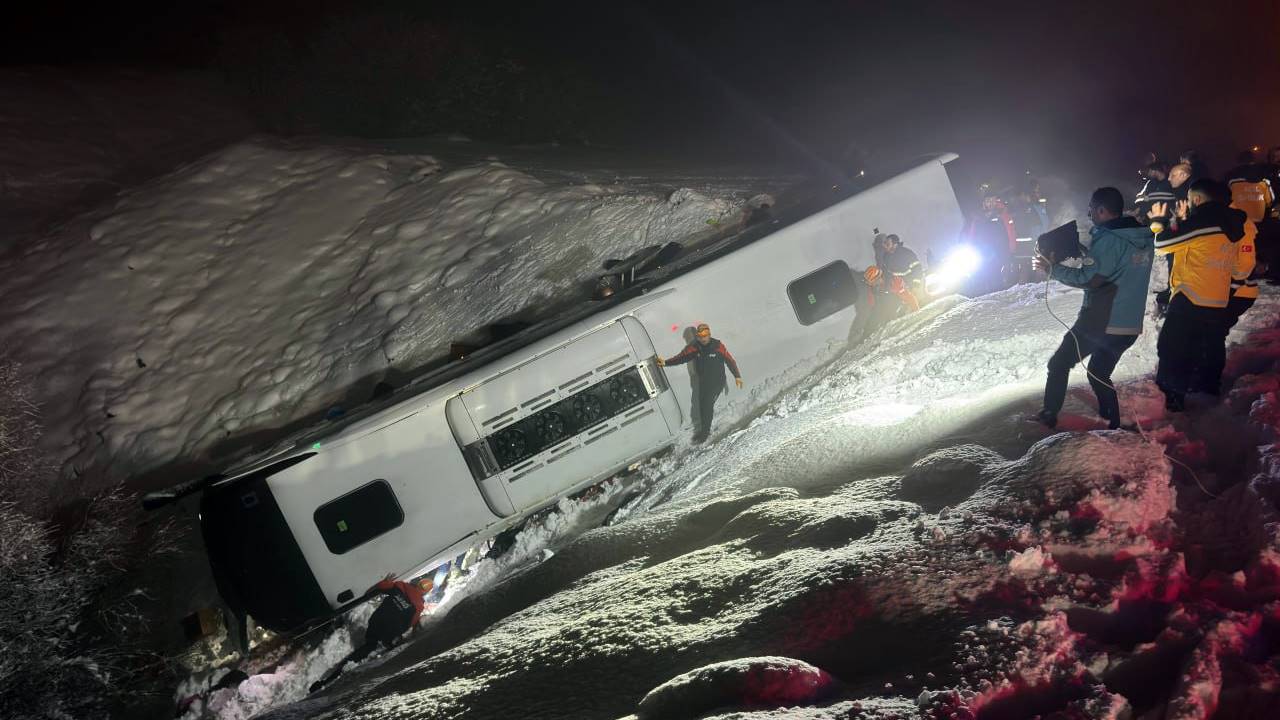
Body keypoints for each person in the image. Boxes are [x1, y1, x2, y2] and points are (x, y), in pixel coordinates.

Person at [1031, 187, 1154, 429]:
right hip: (1127, 324)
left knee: (1059, 363)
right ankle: (1113, 425)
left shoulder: (1109, 239)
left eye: (1091, 209)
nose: (1089, 214)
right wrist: (1086, 253)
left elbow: (1091, 279)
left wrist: (1051, 270)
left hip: (1101, 321)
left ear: (1101, 210)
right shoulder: (1141, 236)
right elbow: (1116, 264)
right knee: (1098, 372)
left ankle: (1048, 415)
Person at [1149, 179, 1247, 410]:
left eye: (1191, 199)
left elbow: (1163, 244)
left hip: (1190, 295)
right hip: (1216, 296)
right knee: (1207, 346)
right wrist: (1183, 221)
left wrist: (1158, 222)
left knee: (1172, 348)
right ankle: (1207, 389)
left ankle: (1171, 399)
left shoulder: (1204, 220)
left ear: (1198, 199)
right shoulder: (1229, 222)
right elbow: (1192, 245)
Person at [309, 575, 428, 693]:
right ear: (425, 593)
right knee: (374, 646)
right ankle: (335, 677)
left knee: (371, 642)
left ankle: (331, 677)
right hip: (388, 631)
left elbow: (382, 586)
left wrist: (387, 581)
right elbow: (410, 624)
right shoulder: (418, 606)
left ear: (417, 583)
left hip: (375, 622)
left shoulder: (401, 586)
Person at [656, 322, 742, 443]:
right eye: (700, 336)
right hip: (704, 383)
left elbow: (730, 360)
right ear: (697, 336)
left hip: (717, 381)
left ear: (709, 334)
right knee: (701, 407)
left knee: (707, 405)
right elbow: (681, 357)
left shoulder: (718, 346)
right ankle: (704, 431)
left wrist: (737, 376)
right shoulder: (695, 347)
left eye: (705, 335)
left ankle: (704, 435)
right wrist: (665, 363)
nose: (703, 338)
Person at [878, 233, 924, 308]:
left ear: (895, 244)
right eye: (885, 243)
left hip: (914, 283)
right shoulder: (886, 257)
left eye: (888, 243)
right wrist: (887, 288)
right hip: (901, 286)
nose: (885, 245)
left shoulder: (906, 253)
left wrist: (915, 285)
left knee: (920, 302)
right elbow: (887, 273)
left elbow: (917, 268)